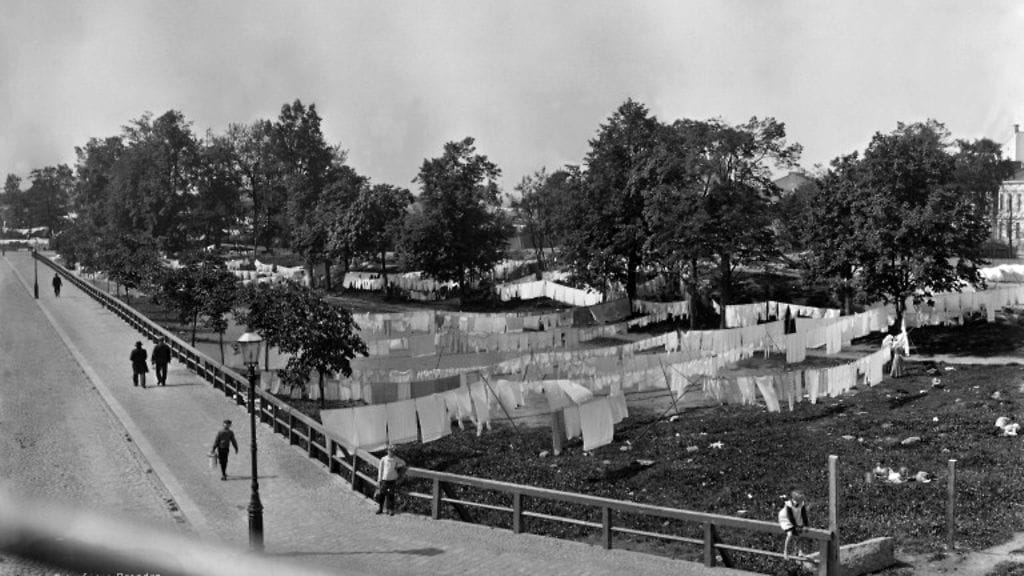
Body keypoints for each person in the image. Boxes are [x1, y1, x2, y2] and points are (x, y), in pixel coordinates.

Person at [778, 489, 809, 560]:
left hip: (797, 516)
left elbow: (804, 515)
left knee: (799, 535)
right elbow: (790, 516)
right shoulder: (789, 505)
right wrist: (795, 526)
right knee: (790, 534)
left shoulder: (801, 504)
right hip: (786, 518)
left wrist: (806, 525)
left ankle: (800, 551)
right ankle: (785, 551)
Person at [376, 445, 407, 516]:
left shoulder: (396, 459)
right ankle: (380, 509)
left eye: (393, 451)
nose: (392, 452)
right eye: (390, 451)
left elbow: (404, 463)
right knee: (382, 494)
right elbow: (380, 470)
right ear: (388, 451)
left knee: (391, 495)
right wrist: (379, 480)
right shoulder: (383, 459)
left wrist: (397, 466)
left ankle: (390, 509)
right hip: (384, 480)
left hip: (392, 480)